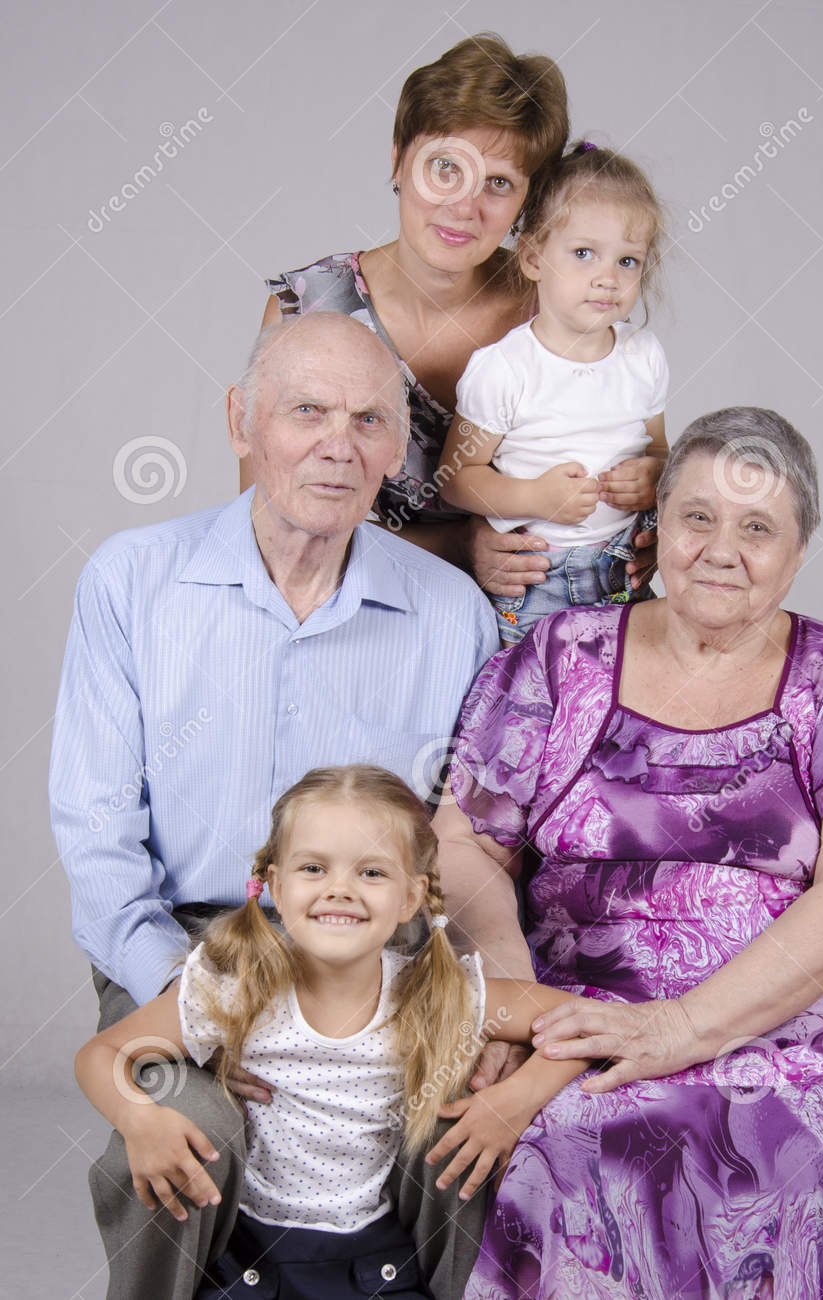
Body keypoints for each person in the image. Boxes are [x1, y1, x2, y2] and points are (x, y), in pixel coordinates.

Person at [433, 408, 823, 1297]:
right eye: (698, 517)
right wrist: (520, 1011)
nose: (721, 548)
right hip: (575, 1005)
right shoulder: (563, 655)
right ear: (658, 527)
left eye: (757, 527)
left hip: (788, 1018)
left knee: (770, 1133)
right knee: (560, 1130)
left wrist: (681, 1028)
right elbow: (467, 839)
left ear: (796, 552)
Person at [49, 311, 498, 1299]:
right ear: (240, 421)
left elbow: (470, 849)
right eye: (307, 411)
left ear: (395, 447)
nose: (339, 444)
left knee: (473, 1122)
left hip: (387, 954)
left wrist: (476, 999)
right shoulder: (133, 581)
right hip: (185, 943)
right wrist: (218, 997)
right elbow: (96, 832)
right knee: (185, 1131)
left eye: (369, 419)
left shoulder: (453, 613)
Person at [75, 765, 598, 1300]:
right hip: (250, 1266)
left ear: (411, 898)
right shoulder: (239, 990)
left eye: (371, 873)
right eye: (313, 868)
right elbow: (104, 1053)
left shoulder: (434, 992)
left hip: (376, 1269)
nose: (340, 890)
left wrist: (514, 1098)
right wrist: (140, 1120)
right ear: (275, 884)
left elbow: (583, 1021)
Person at [258, 33, 658, 601]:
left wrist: (650, 524)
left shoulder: (562, 301)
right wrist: (461, 551)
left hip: (557, 626)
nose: (465, 207)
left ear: (529, 204)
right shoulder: (311, 311)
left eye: (498, 183)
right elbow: (268, 529)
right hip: (371, 619)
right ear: (398, 158)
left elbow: (635, 452)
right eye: (445, 168)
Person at [437, 142, 669, 646]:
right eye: (583, 253)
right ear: (534, 257)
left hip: (620, 574)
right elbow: (456, 480)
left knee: (626, 711)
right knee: (527, 712)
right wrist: (533, 496)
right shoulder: (505, 368)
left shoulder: (642, 356)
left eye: (628, 261)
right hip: (535, 578)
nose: (607, 277)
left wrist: (654, 476)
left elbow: (660, 451)